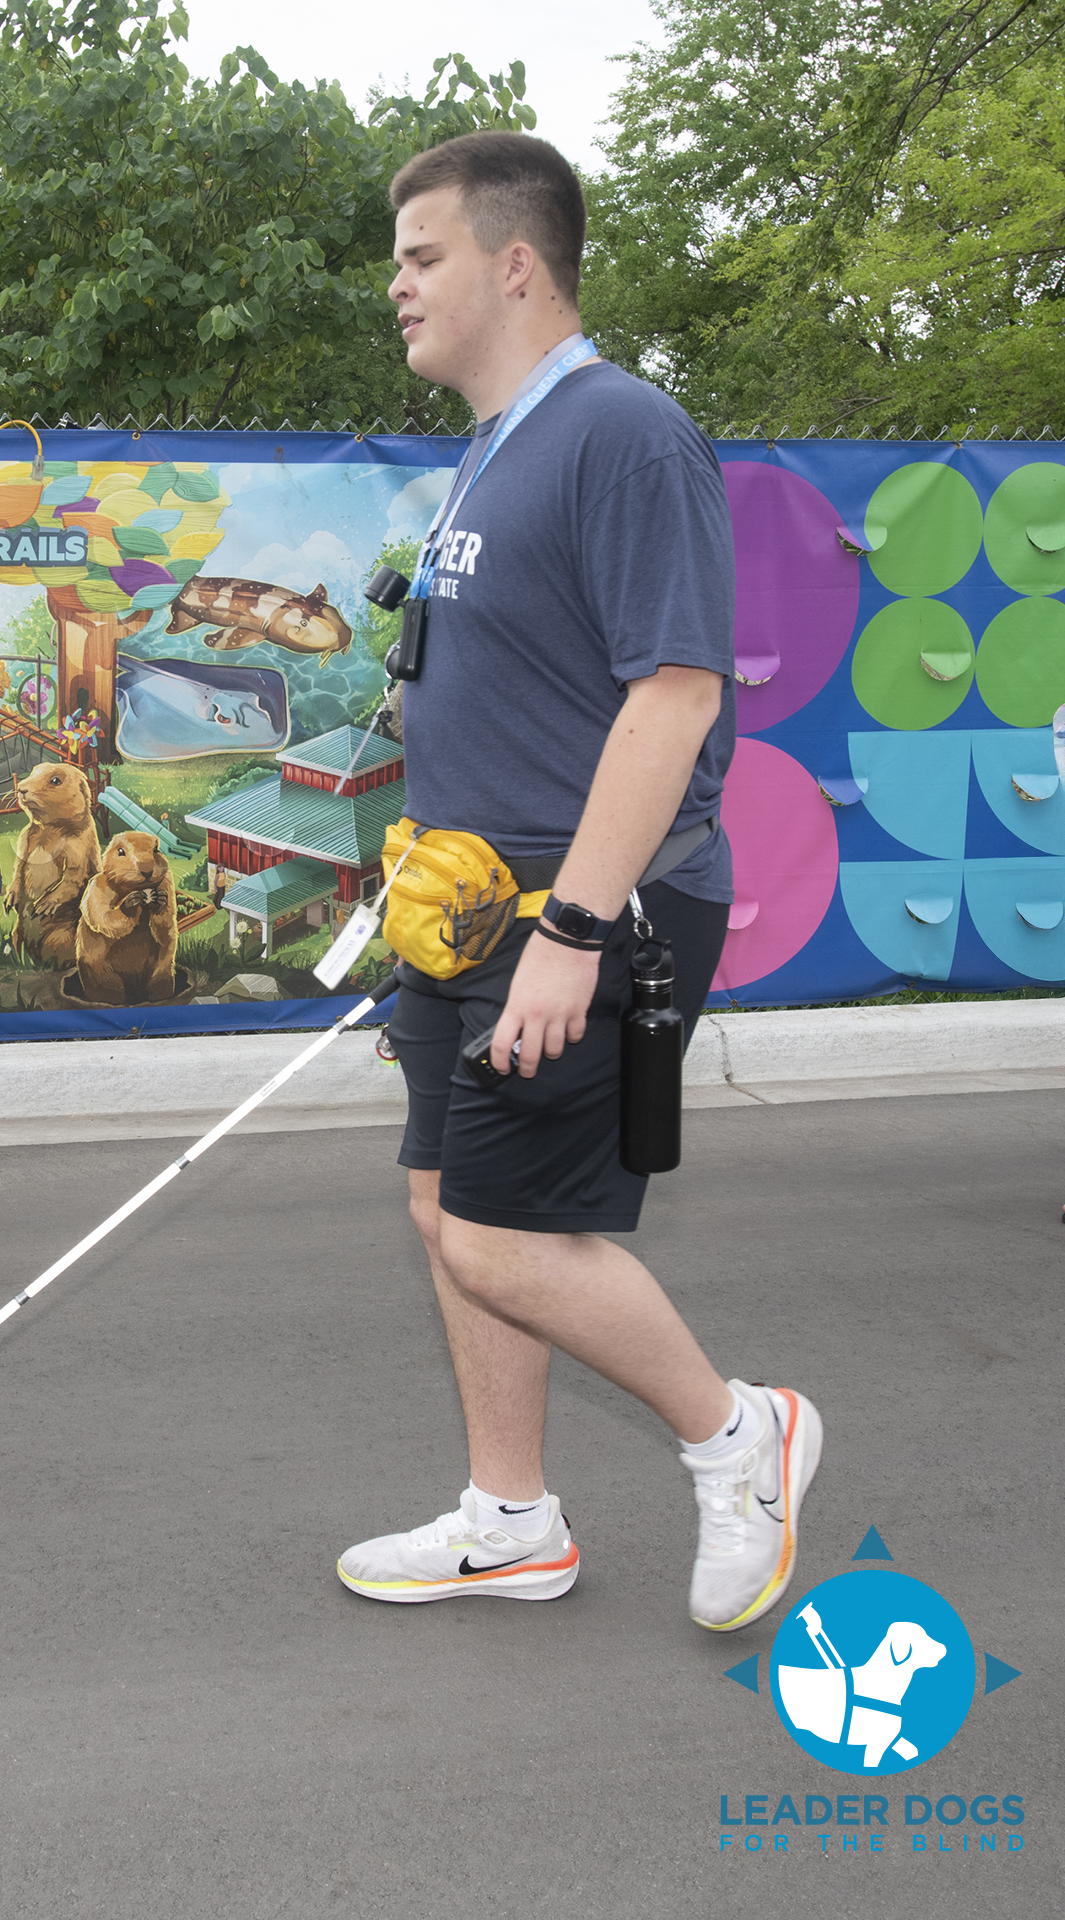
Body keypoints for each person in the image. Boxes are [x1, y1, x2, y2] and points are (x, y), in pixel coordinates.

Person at [336, 132, 821, 1632]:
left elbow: (675, 696)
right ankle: (511, 1522)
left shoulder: (623, 432)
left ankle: (741, 1437)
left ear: (515, 265)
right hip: (467, 902)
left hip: (581, 910)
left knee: (503, 1233)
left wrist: (573, 928)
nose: (397, 286)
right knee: (447, 1209)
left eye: (421, 257)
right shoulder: (494, 449)